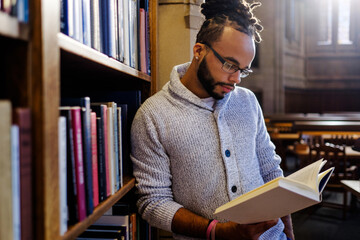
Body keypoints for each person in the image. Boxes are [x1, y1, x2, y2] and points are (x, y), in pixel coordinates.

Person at [130, 0, 295, 239]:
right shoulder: (153, 115)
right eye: (230, 65)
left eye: (244, 70)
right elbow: (152, 203)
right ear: (199, 51)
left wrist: (288, 234)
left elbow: (270, 170)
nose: (237, 78)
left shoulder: (247, 101)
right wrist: (217, 231)